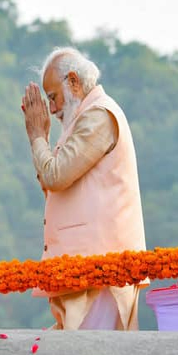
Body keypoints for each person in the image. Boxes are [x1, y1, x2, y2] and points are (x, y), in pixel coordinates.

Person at [20, 47, 148, 331]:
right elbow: (54, 188)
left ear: (74, 81)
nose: (51, 109)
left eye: (53, 97)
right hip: (83, 270)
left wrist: (38, 137)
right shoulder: (81, 120)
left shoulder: (99, 116)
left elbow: (55, 176)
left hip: (101, 270)